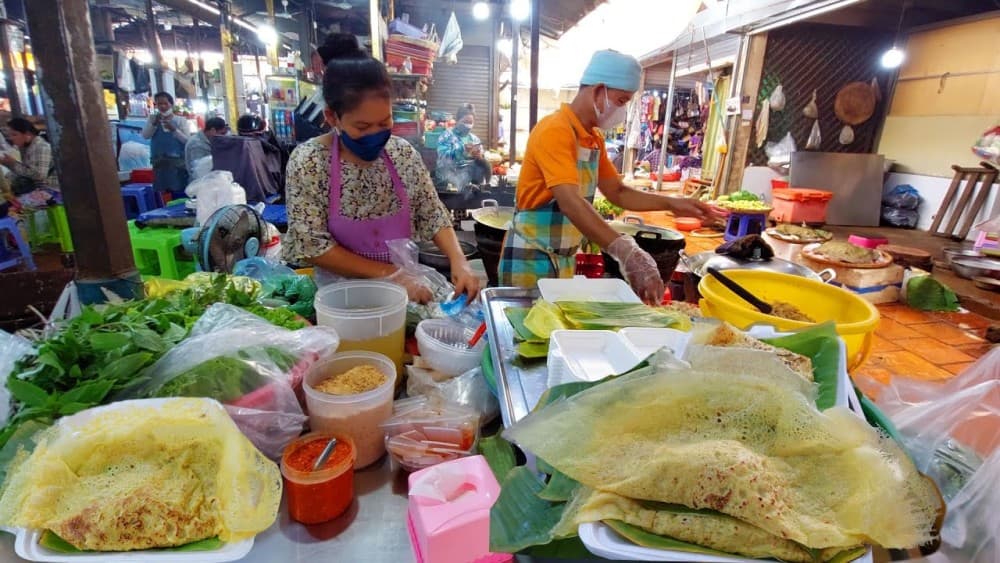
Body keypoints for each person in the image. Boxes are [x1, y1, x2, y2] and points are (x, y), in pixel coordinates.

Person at [498, 50, 720, 304]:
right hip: (530, 257)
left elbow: (618, 192)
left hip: (563, 258)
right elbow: (570, 202)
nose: (622, 111)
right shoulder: (555, 130)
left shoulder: (593, 138)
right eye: (622, 101)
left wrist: (672, 203)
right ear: (598, 90)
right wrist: (625, 251)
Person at [282, 33, 479, 303]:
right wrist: (391, 275)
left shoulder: (402, 154)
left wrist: (459, 260)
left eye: (385, 122)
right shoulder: (310, 162)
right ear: (332, 117)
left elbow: (432, 213)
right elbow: (312, 246)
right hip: (340, 302)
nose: (376, 134)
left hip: (404, 298)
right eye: (362, 127)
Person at [0, 117, 60, 211]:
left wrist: (12, 164)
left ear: (27, 134)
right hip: (40, 192)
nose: (11, 139)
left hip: (51, 192)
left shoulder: (41, 147)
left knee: (6, 209)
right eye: (10, 135)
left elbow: (39, 175)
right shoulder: (30, 147)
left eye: (14, 135)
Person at [141, 92, 190, 193]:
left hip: (177, 162)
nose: (162, 106)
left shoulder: (180, 120)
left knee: (178, 189)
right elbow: (145, 136)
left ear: (171, 104)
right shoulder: (152, 119)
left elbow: (187, 141)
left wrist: (174, 130)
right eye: (159, 104)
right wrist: (153, 124)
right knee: (161, 191)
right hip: (159, 162)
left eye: (165, 103)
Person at [435, 103, 491, 188]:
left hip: (470, 181)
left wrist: (479, 157)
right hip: (449, 180)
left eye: (470, 122)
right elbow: (442, 158)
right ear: (457, 120)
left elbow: (481, 162)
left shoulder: (474, 139)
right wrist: (462, 150)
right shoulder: (446, 136)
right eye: (465, 122)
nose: (468, 125)